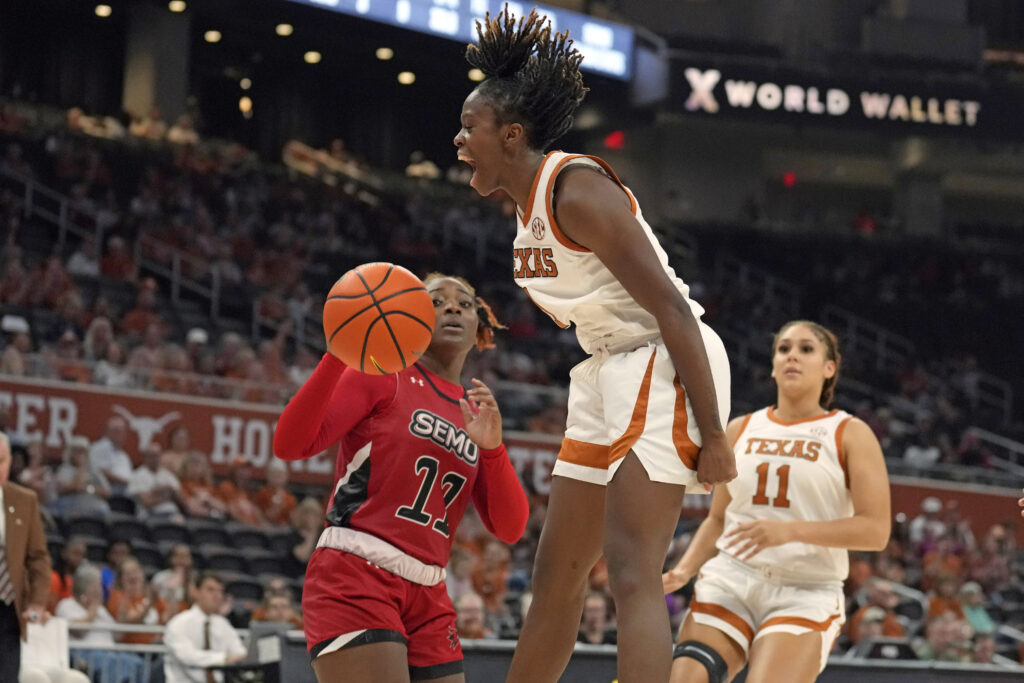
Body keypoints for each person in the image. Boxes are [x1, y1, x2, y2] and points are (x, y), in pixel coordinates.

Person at [453, 8, 735, 682]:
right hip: (607, 365)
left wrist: (715, 434)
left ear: (511, 134)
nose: (458, 138)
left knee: (632, 567)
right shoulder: (525, 214)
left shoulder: (576, 191)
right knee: (557, 572)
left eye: (470, 127)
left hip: (662, 355)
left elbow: (671, 305)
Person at [273, 273, 529, 683]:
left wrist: (494, 450)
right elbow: (290, 445)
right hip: (357, 569)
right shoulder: (380, 374)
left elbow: (511, 527)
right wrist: (339, 353)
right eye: (437, 301)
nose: (452, 308)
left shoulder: (474, 413)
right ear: (408, 315)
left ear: (479, 328)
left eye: (464, 303)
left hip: (430, 590)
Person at [661, 321, 891, 683]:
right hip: (732, 578)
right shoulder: (740, 428)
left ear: (830, 368)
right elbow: (719, 519)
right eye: (783, 349)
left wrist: (789, 531)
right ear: (772, 365)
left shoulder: (850, 433)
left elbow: (875, 531)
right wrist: (684, 570)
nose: (792, 356)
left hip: (806, 587)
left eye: (806, 349)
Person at [0, 431, 52, 683]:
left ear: (10, 463)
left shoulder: (24, 500)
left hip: (9, 610)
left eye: (1, 461)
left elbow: (38, 558)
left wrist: (37, 602)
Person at [163, 572, 246, 683]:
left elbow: (239, 652)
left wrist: (241, 656)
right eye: (210, 590)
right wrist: (224, 658)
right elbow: (188, 656)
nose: (217, 596)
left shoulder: (223, 624)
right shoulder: (179, 623)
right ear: (196, 592)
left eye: (220, 591)